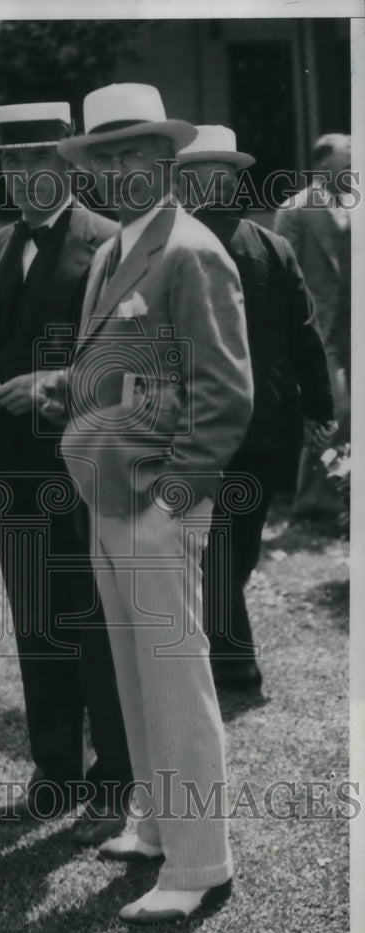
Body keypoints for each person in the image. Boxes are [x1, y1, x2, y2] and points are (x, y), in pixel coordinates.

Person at [55, 83, 253, 924]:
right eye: (105, 155)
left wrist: (177, 497)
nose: (121, 168)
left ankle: (200, 861)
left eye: (137, 151)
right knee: (136, 672)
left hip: (157, 499)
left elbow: (226, 395)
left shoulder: (193, 249)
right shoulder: (112, 252)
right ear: (93, 170)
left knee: (175, 677)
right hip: (112, 490)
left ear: (168, 159)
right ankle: (154, 820)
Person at [0, 103, 133, 846]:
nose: (23, 176)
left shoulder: (110, 245)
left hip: (81, 464)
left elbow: (128, 358)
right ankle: (53, 772)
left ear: (70, 164)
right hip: (6, 468)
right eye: (10, 164)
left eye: (37, 161)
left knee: (92, 619)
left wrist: (50, 381)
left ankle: (115, 779)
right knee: (36, 621)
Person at [178, 126, 336, 690]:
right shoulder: (271, 244)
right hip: (265, 422)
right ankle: (231, 654)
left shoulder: (175, 244)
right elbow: (305, 336)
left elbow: (302, 334)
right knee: (236, 540)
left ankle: (233, 657)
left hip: (199, 419)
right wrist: (319, 410)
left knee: (217, 543)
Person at [274, 133, 351, 517]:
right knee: (335, 410)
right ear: (324, 168)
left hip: (353, 328)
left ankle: (343, 502)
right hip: (319, 329)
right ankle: (312, 504)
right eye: (348, 160)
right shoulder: (296, 210)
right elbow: (281, 277)